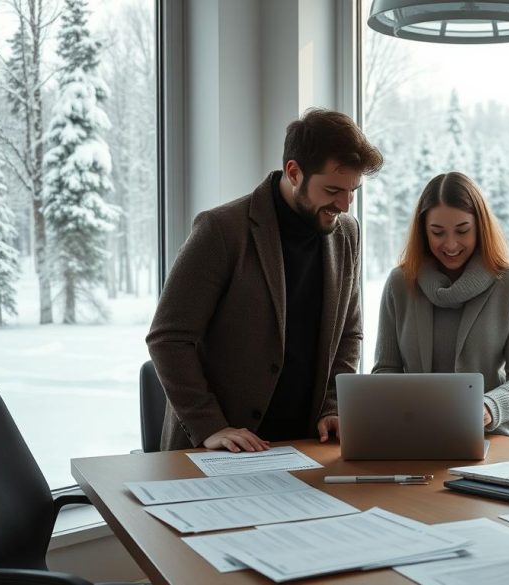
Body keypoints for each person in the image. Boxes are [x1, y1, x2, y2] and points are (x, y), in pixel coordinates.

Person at [147, 108, 383, 452]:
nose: (345, 205)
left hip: (306, 446)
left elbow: (349, 332)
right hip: (221, 449)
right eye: (333, 189)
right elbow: (168, 337)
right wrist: (209, 425)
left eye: (353, 191)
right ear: (294, 172)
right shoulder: (221, 230)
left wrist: (334, 405)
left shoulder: (347, 233)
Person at [373, 172, 509, 438]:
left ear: (480, 227)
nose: (450, 244)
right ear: (423, 231)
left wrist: (489, 406)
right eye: (437, 232)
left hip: (494, 437)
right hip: (416, 437)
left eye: (463, 230)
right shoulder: (400, 283)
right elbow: (385, 370)